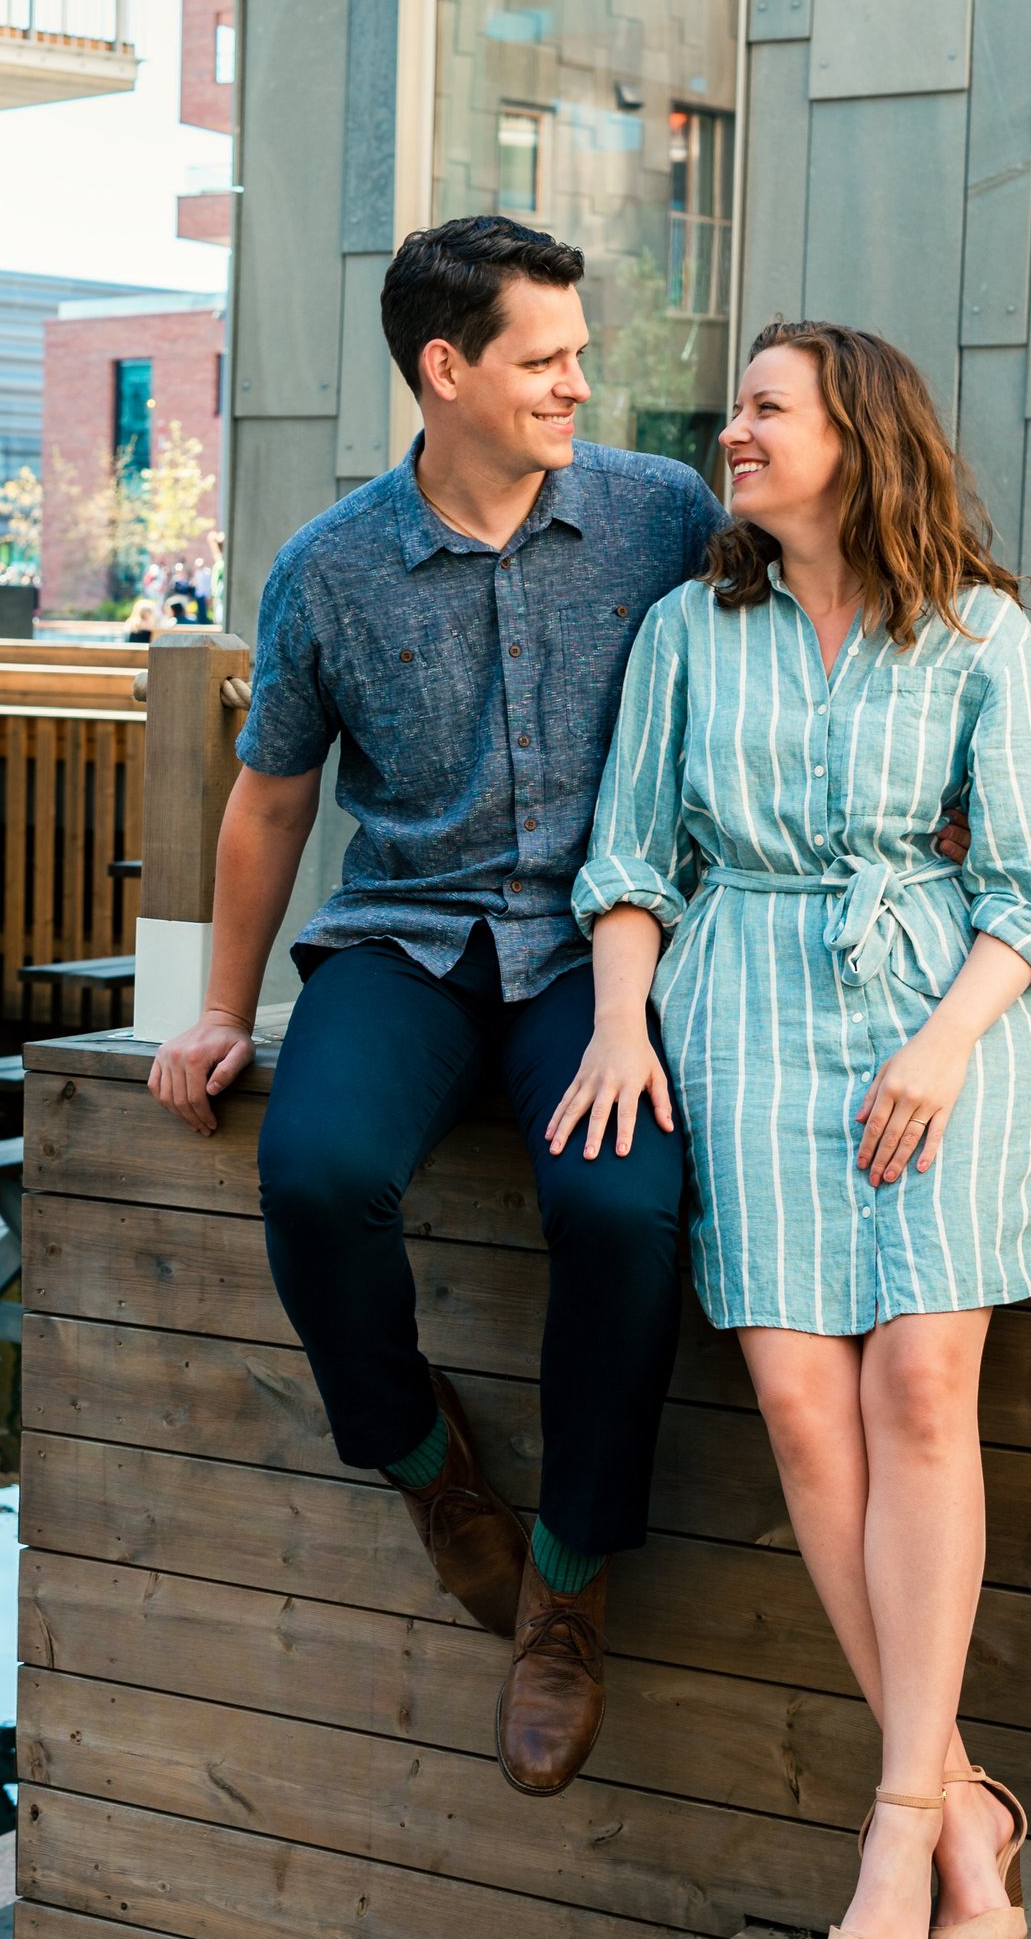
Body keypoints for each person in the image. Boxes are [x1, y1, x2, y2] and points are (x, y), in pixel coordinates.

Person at [558, 322, 1031, 1939]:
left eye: (765, 407)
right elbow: (632, 860)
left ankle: (895, 1815)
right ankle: (963, 1805)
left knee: (918, 1388)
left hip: (939, 1023)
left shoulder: (979, 634)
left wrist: (944, 1044)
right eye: (736, 407)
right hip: (740, 1027)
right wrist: (618, 1024)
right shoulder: (684, 631)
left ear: (856, 435)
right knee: (805, 1402)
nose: (731, 431)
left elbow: (1029, 892)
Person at [148, 216, 724, 1792]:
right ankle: (422, 1463)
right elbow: (272, 800)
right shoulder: (330, 569)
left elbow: (791, 643)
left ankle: (570, 1578)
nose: (576, 382)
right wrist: (220, 1006)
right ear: (445, 368)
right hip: (405, 938)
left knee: (622, 1209)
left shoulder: (660, 515)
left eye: (579, 352)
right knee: (316, 1172)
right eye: (545, 358)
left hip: (604, 950)